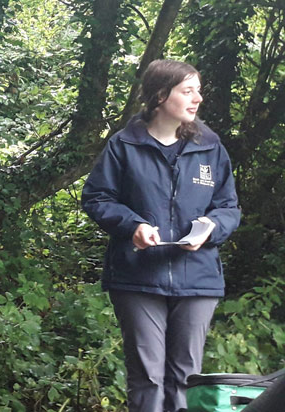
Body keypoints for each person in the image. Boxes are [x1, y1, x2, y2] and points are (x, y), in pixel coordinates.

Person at [82, 59, 241, 412]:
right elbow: (96, 197)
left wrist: (212, 228)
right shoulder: (124, 145)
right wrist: (132, 225)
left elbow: (229, 208)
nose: (197, 98)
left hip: (197, 277)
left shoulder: (211, 148)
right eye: (188, 91)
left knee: (186, 376)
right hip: (138, 276)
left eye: (198, 90)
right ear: (159, 95)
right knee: (147, 377)